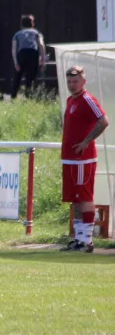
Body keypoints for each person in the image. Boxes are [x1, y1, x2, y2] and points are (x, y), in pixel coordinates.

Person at [59, 66, 109, 253]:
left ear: (83, 82)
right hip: (70, 159)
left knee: (85, 197)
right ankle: (78, 239)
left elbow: (103, 120)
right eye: (70, 82)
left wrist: (86, 141)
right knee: (75, 199)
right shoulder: (71, 99)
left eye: (76, 81)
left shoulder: (87, 99)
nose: (72, 85)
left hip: (83, 159)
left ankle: (87, 240)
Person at [11, 15, 46, 99]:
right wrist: (43, 60)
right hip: (33, 53)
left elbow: (14, 48)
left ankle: (13, 96)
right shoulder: (37, 33)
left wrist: (16, 62)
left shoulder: (17, 34)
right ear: (32, 24)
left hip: (22, 54)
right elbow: (41, 45)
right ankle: (29, 96)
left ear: (21, 24)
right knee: (31, 76)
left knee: (18, 76)